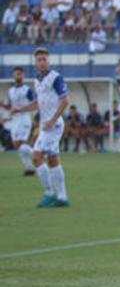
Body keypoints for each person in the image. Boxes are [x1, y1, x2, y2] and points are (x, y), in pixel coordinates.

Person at [10, 48, 70, 207]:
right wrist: (19, 109)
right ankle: (62, 197)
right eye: (39, 60)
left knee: (36, 157)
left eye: (44, 59)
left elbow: (65, 101)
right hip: (46, 126)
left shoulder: (55, 77)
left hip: (54, 125)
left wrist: (52, 120)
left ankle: (49, 193)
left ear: (49, 61)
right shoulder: (37, 80)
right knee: (52, 160)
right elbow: (37, 103)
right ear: (35, 62)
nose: (42, 62)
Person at [2, 67, 37, 176]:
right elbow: (10, 107)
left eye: (20, 74)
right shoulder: (10, 91)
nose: (18, 76)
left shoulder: (27, 90)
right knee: (17, 145)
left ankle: (37, 154)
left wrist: (21, 109)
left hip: (24, 118)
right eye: (16, 74)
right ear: (13, 76)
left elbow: (35, 104)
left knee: (19, 143)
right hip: (15, 120)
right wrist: (3, 105)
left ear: (23, 76)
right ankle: (30, 168)